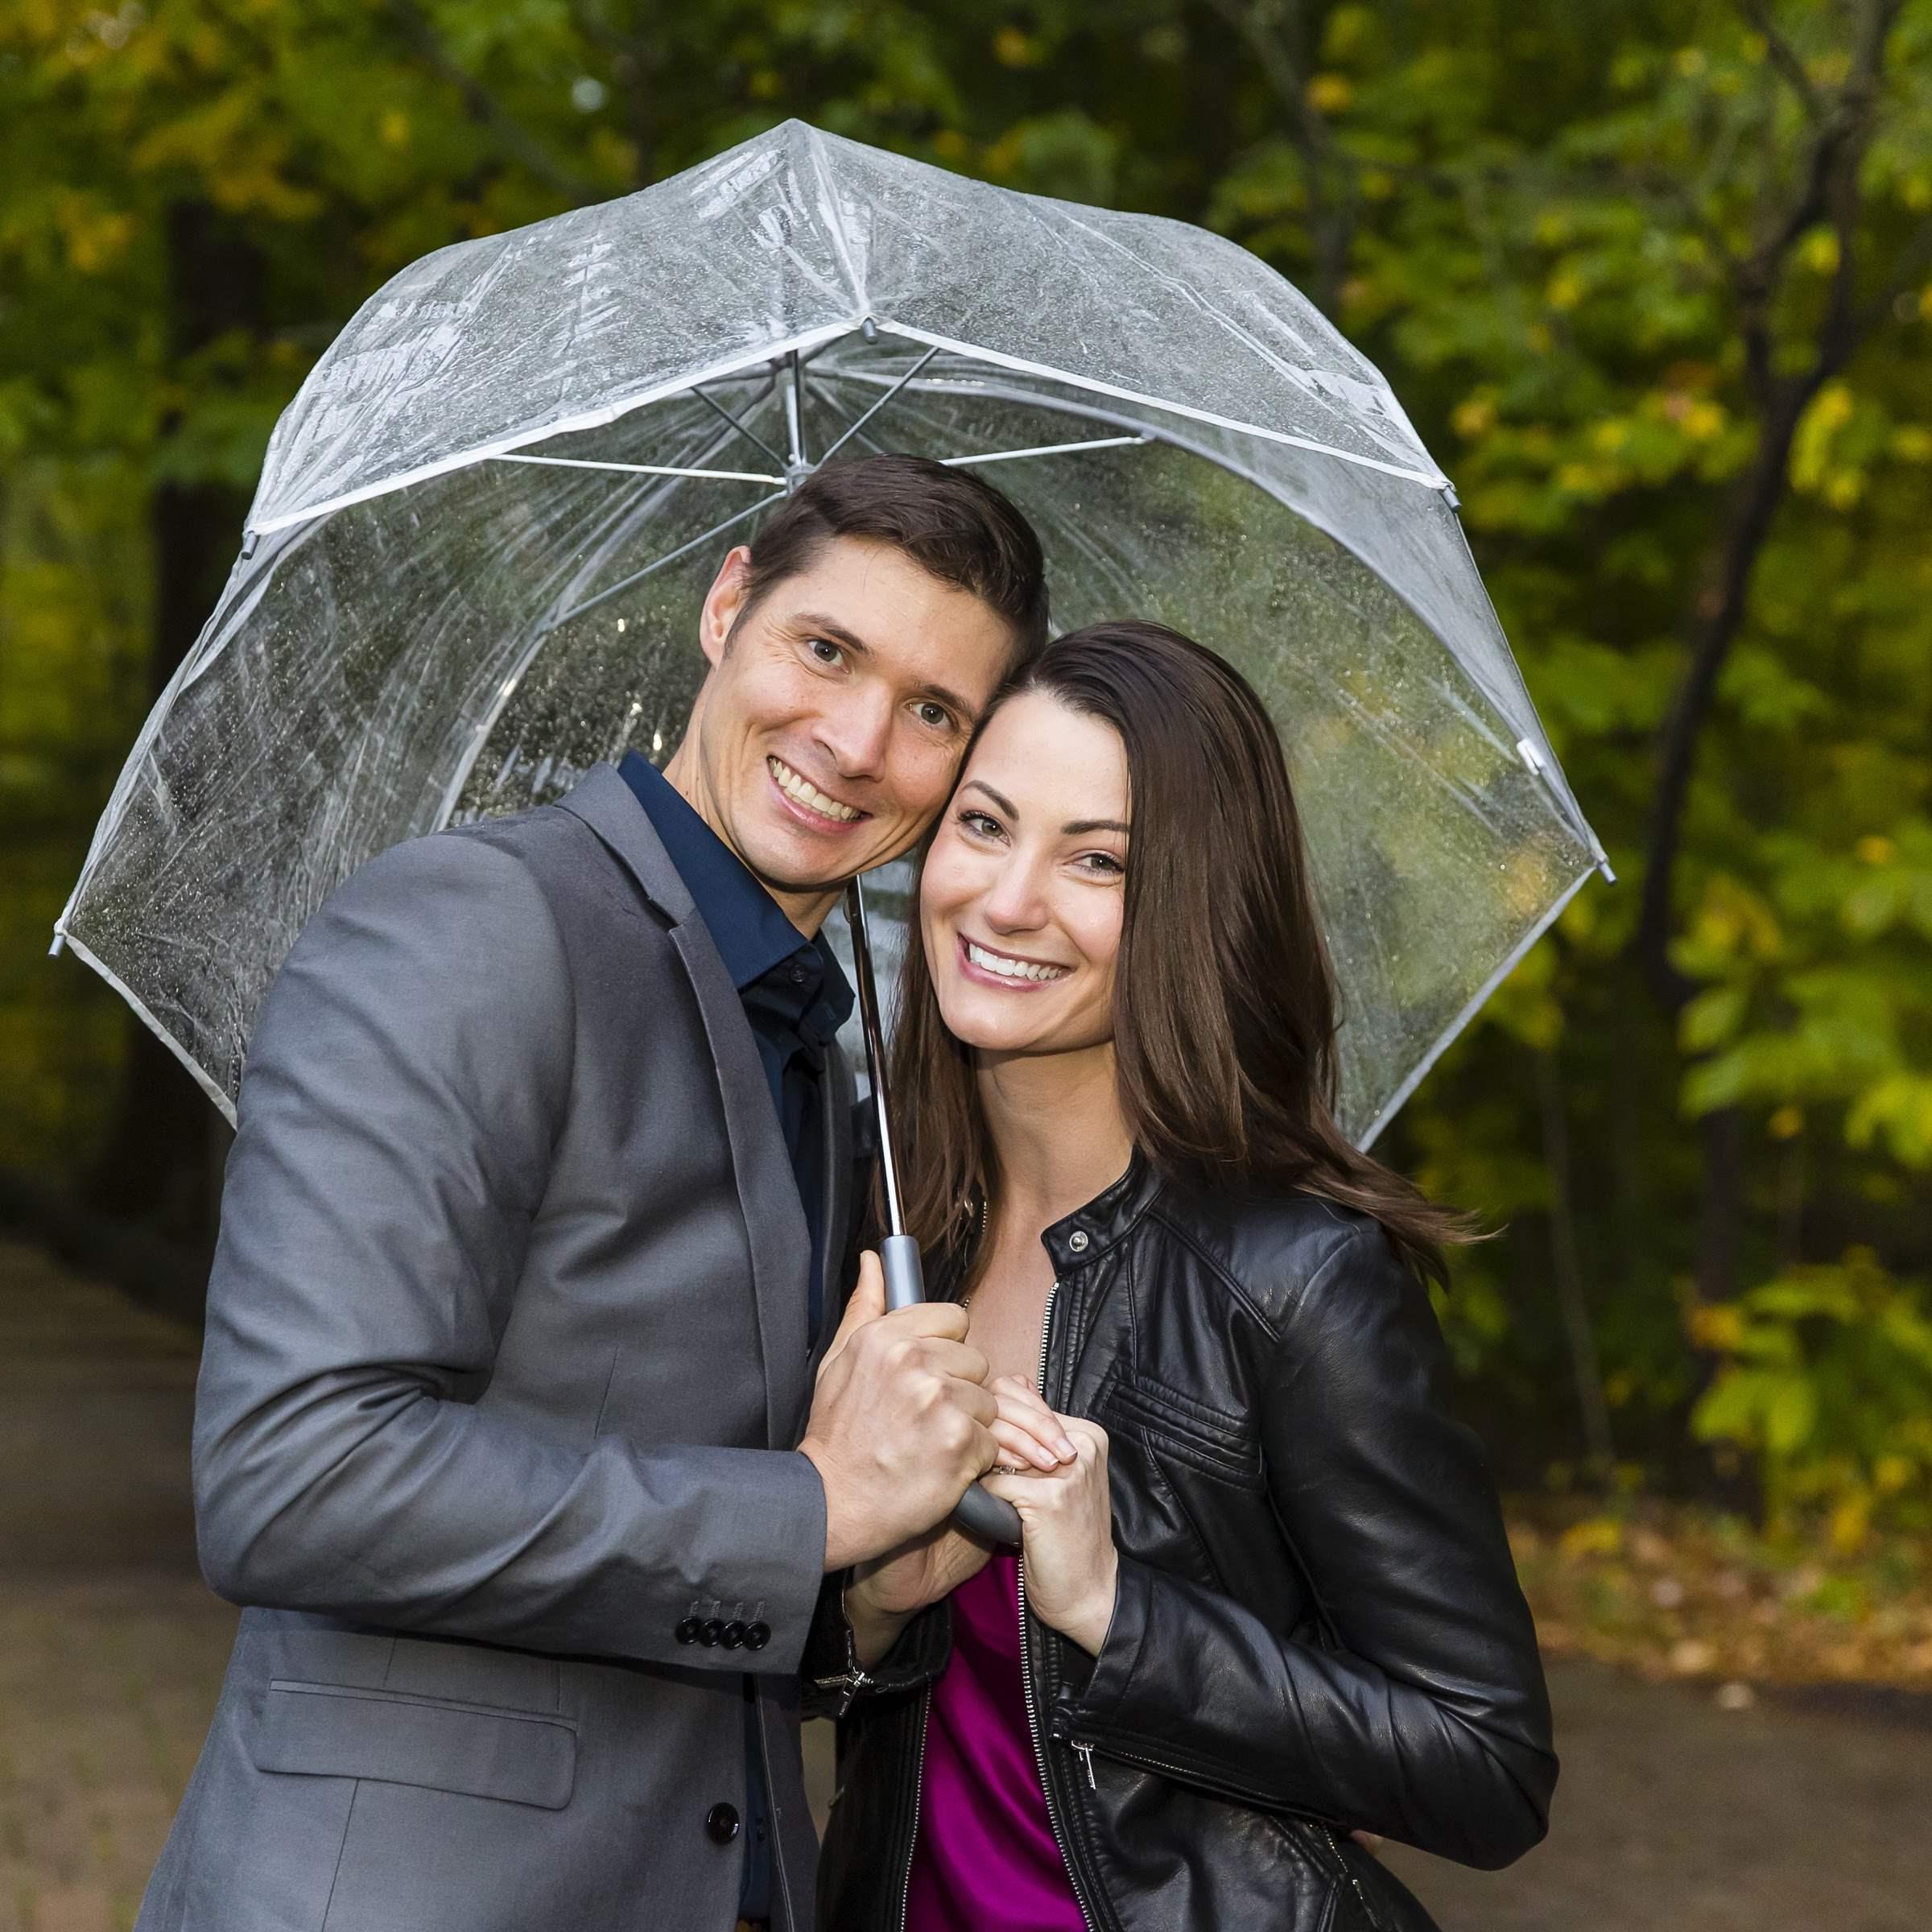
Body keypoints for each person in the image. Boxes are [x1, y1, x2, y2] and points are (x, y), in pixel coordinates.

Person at [133, 454, 1051, 1932]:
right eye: (826, 650)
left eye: (934, 712)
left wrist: (867, 1593)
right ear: (727, 607)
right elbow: (294, 1476)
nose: (857, 742)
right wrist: (813, 1510)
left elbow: (704, 1571)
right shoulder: (476, 924)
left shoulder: (825, 1059)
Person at [815, 621, 1558, 1932]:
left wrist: (1118, 1610)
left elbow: (1486, 1765)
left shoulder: (1295, 1278)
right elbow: (774, 1679)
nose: (1007, 900)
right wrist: (872, 1603)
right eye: (984, 825)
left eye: (1097, 859)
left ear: (1194, 907)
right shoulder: (872, 1217)